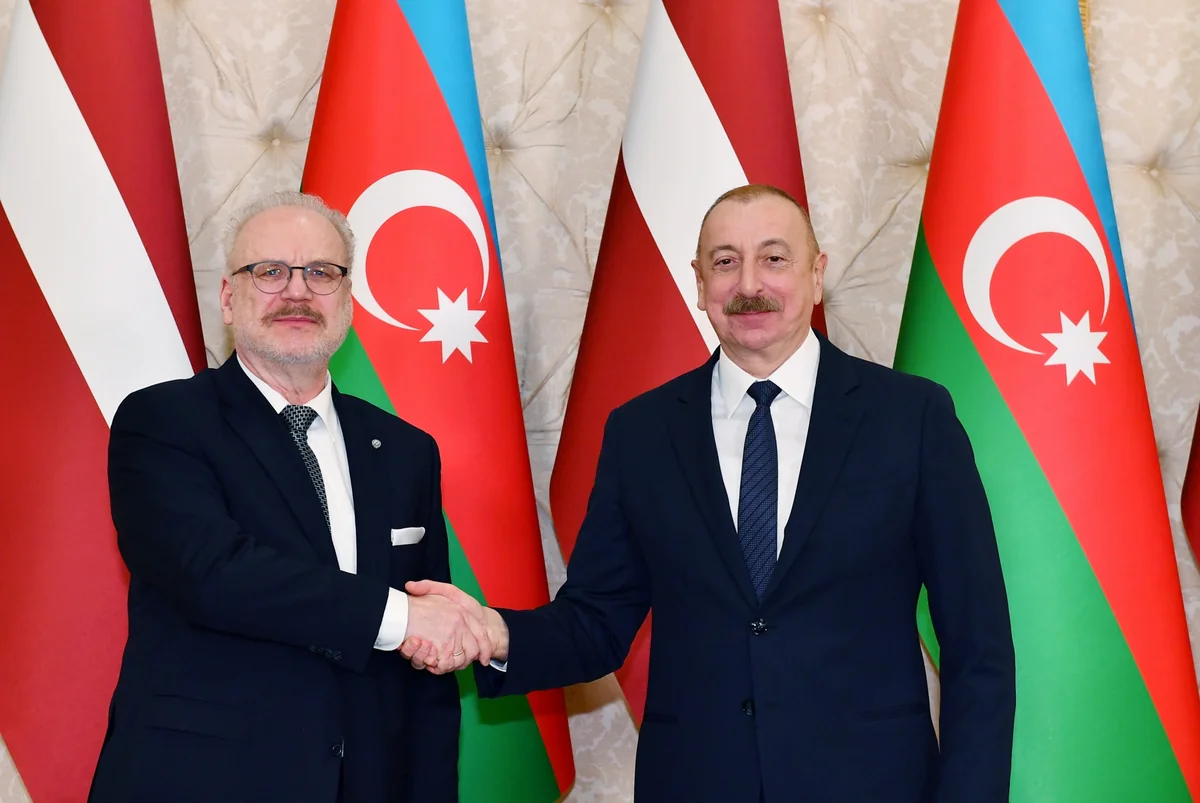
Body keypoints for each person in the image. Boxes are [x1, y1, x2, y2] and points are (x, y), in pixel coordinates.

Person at [401, 184, 1017, 802]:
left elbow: (978, 646)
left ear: (816, 275)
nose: (749, 284)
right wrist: (498, 634)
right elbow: (597, 620)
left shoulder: (912, 418)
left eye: (774, 258)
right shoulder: (642, 432)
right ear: (699, 283)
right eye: (726, 262)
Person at [88, 191, 484, 803]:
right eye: (270, 271)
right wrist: (400, 616)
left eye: (322, 273)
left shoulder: (406, 450)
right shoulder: (163, 421)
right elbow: (214, 575)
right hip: (204, 781)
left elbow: (426, 671)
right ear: (229, 298)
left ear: (347, 300)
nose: (297, 292)